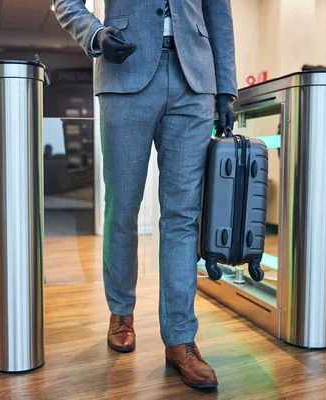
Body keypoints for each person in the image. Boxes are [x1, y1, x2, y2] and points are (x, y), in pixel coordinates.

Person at [54, 0, 237, 389]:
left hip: (195, 81)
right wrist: (95, 34)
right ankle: (121, 312)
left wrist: (226, 88)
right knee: (122, 208)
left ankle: (180, 339)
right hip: (125, 72)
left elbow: (218, 12)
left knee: (183, 217)